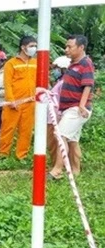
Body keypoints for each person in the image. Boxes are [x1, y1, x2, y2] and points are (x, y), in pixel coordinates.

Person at [48, 35, 95, 179]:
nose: (66, 49)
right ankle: (75, 170)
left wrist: (81, 105)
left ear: (81, 48)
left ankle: (57, 170)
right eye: (66, 46)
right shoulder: (72, 64)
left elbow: (88, 85)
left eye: (70, 47)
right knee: (73, 141)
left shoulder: (85, 63)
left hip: (76, 108)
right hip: (69, 108)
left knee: (60, 135)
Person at [0, 35, 38, 160]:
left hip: (30, 103)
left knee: (26, 131)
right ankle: (2, 154)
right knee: (7, 129)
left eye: (35, 46)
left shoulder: (35, 63)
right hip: (13, 103)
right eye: (31, 46)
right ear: (23, 47)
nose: (34, 49)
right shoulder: (11, 63)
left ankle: (22, 155)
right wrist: (11, 100)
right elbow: (7, 83)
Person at [47, 56, 70, 168]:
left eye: (56, 68)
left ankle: (58, 166)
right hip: (52, 116)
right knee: (53, 143)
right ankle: (56, 164)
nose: (53, 70)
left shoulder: (63, 83)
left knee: (55, 143)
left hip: (56, 117)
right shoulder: (59, 82)